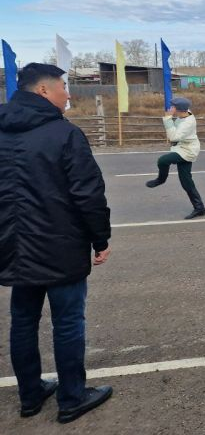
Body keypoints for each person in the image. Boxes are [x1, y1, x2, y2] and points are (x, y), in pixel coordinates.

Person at [0, 63, 113, 423]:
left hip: (13, 244)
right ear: (44, 91)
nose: (68, 92)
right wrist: (101, 238)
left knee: (22, 320)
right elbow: (88, 193)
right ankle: (71, 397)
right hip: (59, 244)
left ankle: (30, 394)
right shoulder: (64, 134)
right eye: (63, 86)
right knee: (67, 322)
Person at [146, 97, 205, 219]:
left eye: (173, 107)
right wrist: (173, 113)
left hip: (187, 150)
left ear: (179, 110)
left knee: (163, 160)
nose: (170, 109)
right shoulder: (185, 114)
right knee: (186, 181)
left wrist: (168, 118)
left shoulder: (188, 122)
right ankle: (200, 208)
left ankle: (161, 180)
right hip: (182, 148)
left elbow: (173, 137)